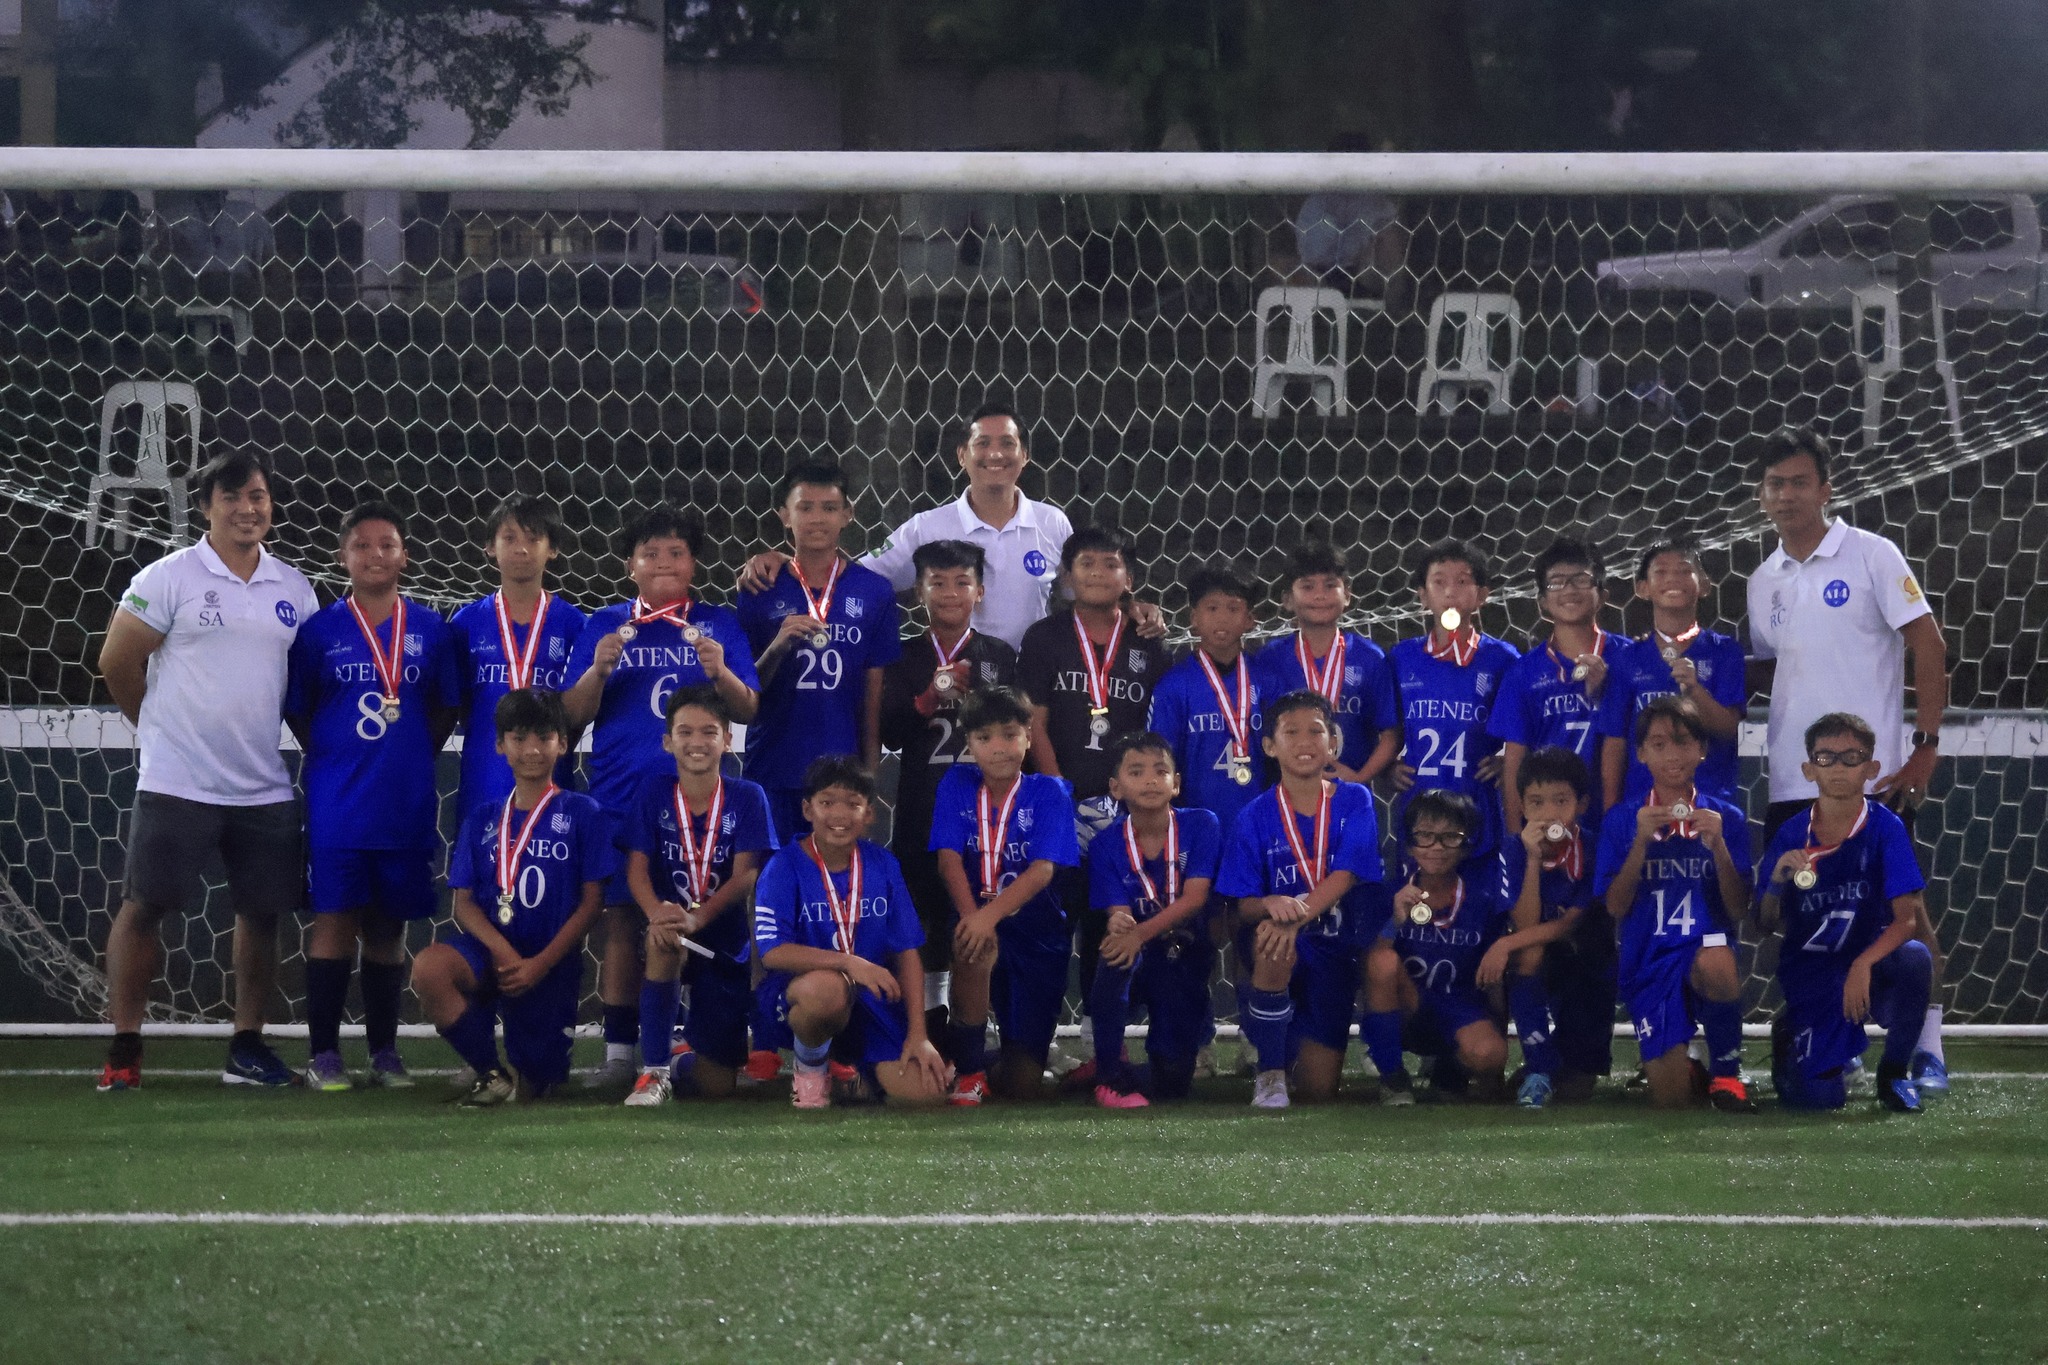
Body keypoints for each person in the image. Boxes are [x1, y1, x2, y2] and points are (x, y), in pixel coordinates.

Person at [95, 449, 319, 1091]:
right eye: (232, 497)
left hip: (263, 786)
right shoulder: (169, 577)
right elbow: (117, 662)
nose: (248, 509)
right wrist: (164, 735)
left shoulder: (294, 589)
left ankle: (246, 1047)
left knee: (261, 915)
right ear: (204, 507)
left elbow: (302, 688)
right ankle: (125, 1046)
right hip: (177, 783)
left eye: (259, 497)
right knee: (145, 907)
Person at [1747, 426, 1952, 1094]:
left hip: (1876, 775)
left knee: (1905, 913)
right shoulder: (1762, 580)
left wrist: (1925, 743)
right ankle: (1836, 1038)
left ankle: (1926, 1046)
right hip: (1793, 776)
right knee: (1807, 916)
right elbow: (1779, 669)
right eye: (1776, 483)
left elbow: (1928, 641)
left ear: (1826, 489)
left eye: (1800, 481)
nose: (1787, 494)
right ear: (1762, 494)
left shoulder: (1870, 554)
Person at [563, 505, 759, 1084]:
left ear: (694, 563)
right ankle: (621, 1055)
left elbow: (749, 708)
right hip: (623, 799)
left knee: (709, 918)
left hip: (704, 806)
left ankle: (690, 1044)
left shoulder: (718, 623)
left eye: (676, 552)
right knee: (625, 923)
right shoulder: (603, 623)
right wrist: (597, 673)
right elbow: (570, 718)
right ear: (631, 566)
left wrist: (720, 673)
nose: (664, 562)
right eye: (651, 553)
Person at [284, 499, 463, 1092]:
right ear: (343, 558)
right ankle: (324, 1055)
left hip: (405, 805)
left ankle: (386, 1052)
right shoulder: (318, 633)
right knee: (334, 923)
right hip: (339, 805)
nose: (375, 555)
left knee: (388, 930)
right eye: (362, 545)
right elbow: (301, 714)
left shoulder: (432, 632)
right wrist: (339, 758)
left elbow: (443, 709)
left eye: (387, 544)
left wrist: (407, 754)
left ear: (404, 555)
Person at [411, 689, 613, 1106]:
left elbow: (593, 903)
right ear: (500, 745)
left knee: (539, 1088)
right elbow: (462, 902)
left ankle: (525, 1068)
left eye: (544, 737)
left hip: (549, 961)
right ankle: (489, 1071)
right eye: (519, 739)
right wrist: (502, 952)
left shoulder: (584, 813)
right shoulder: (483, 818)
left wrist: (539, 964)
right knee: (430, 968)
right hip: (493, 955)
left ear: (564, 743)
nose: (533, 750)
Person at [1018, 525, 1171, 1058]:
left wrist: (1138, 798)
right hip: (1059, 800)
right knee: (1054, 915)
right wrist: (1057, 792)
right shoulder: (1044, 637)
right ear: (1066, 577)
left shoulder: (1147, 641)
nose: (1099, 574)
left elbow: (1157, 727)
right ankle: (1036, 1039)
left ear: (1129, 578)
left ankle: (1098, 1038)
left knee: (1111, 915)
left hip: (1126, 806)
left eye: (1111, 565)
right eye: (1087, 564)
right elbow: (1033, 722)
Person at [876, 540, 1019, 1043]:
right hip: (920, 807)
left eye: (962, 582)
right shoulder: (904, 655)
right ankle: (932, 1029)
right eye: (938, 582)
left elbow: (1015, 729)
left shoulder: (999, 656)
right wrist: (926, 699)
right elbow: (889, 731)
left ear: (980, 591)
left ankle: (982, 1034)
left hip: (987, 816)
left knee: (981, 921)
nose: (951, 592)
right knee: (925, 923)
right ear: (919, 592)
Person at [1215, 691, 1386, 1110]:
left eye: (1316, 731)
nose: (1305, 742)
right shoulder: (1252, 815)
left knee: (1318, 1089)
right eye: (1291, 733)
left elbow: (1346, 874)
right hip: (1281, 945)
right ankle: (1269, 1074)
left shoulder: (1355, 799)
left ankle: (1283, 1042)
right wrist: (1271, 904)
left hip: (1335, 948)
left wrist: (1298, 914)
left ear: (1333, 743)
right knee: (1272, 939)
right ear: (1270, 746)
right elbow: (1243, 905)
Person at [1755, 712, 1933, 1114]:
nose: (1838, 767)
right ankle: (1790, 1039)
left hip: (1870, 959)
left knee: (1916, 959)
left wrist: (1863, 964)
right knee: (1820, 1100)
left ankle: (1894, 1073)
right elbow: (1763, 924)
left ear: (1871, 768)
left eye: (1851, 758)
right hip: (1813, 970)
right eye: (1825, 758)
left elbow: (1907, 919)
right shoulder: (1791, 834)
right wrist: (1776, 881)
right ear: (1807, 769)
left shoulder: (1886, 828)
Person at [752, 756, 951, 1109]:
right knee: (827, 990)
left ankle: (855, 1072)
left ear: (870, 814)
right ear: (807, 809)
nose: (840, 815)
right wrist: (850, 963)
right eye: (827, 803)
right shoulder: (783, 866)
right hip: (803, 995)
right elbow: (773, 952)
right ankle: (810, 1068)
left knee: (926, 1094)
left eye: (853, 804)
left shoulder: (884, 865)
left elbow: (908, 951)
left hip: (870, 998)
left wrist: (919, 1035)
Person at [1593, 696, 1756, 1113]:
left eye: (1683, 742)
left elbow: (1737, 909)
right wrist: (1639, 845)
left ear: (1702, 750)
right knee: (1671, 1100)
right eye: (1659, 744)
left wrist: (1718, 847)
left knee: (1718, 957)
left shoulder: (1726, 819)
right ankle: (1690, 1067)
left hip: (1703, 952)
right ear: (1642, 753)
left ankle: (1726, 1076)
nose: (1672, 754)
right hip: (1648, 961)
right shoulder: (1621, 820)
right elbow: (1614, 907)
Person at [621, 687, 778, 1106]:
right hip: (670, 927)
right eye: (685, 732)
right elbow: (635, 868)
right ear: (667, 740)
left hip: (724, 942)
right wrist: (658, 914)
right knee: (664, 941)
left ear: (728, 739)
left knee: (717, 1087)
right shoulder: (653, 792)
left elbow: (746, 875)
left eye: (709, 732)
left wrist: (698, 918)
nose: (697, 742)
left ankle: (679, 1060)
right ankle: (652, 1073)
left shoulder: (748, 797)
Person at [737, 460, 902, 842]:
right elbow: (745, 690)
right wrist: (778, 646)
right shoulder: (760, 587)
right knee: (770, 883)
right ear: (784, 515)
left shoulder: (874, 592)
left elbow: (872, 700)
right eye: (804, 507)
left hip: (841, 777)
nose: (817, 519)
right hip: (773, 767)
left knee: (835, 891)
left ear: (848, 514)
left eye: (829, 508)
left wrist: (870, 780)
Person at [929, 687, 1081, 1103]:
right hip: (975, 915)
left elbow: (1042, 870)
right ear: (969, 744)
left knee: (1021, 1084)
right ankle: (969, 1071)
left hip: (1037, 934)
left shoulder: (1050, 792)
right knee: (971, 946)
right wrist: (973, 918)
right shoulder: (956, 783)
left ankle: (980, 1053)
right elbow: (949, 861)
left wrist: (988, 916)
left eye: (1010, 735)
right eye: (984, 738)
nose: (999, 748)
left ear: (1029, 737)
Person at [1086, 733, 1222, 1108]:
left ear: (1176, 784)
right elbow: (1119, 912)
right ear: (1116, 787)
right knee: (1114, 952)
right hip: (1139, 951)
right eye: (1136, 771)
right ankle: (1109, 1075)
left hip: (1185, 952)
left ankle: (1111, 1074)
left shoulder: (1201, 825)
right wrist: (1120, 926)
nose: (1150, 780)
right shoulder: (1104, 845)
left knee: (1173, 1082)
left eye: (1161, 772)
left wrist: (1137, 933)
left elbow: (1195, 898)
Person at [1362, 790, 1511, 1104]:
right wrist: (1395, 921)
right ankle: (1393, 1077)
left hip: (1460, 1008)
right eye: (1425, 836)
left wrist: (1494, 1068)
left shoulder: (1483, 901)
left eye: (1450, 837)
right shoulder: (1390, 893)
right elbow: (1370, 964)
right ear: (1410, 843)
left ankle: (1451, 1069)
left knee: (1490, 1053)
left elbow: (1494, 983)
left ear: (1467, 843)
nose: (1437, 848)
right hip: (1407, 1004)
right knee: (1383, 961)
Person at [1485, 746, 1611, 1107]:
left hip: (1587, 960)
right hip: (1537, 949)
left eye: (1560, 801)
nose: (1549, 813)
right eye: (1537, 803)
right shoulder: (1513, 848)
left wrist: (1504, 945)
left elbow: (1569, 924)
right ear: (1522, 807)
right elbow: (1526, 923)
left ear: (1582, 804)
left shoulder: (1592, 845)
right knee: (1530, 952)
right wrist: (1533, 859)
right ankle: (1538, 1069)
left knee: (1578, 1087)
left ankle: (1567, 1058)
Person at [448, 495, 586, 823]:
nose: (521, 548)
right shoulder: (465, 624)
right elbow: (460, 706)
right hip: (485, 777)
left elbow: (576, 712)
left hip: (553, 777)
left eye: (534, 538)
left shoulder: (574, 624)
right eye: (509, 538)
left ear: (552, 549)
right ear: (490, 547)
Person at [1390, 538, 1520, 867]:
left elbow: (1521, 727)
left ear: (1482, 594)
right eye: (1439, 582)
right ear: (1422, 595)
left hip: (1479, 806)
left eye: (1462, 582)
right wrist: (1385, 769)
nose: (1450, 592)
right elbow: (1381, 727)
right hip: (1417, 810)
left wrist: (1509, 760)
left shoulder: (1502, 659)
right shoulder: (1401, 658)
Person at [1597, 539, 1744, 811]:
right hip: (1642, 805)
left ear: (1704, 585)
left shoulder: (1725, 651)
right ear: (1642, 588)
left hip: (1710, 804)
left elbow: (1729, 729)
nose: (1672, 579)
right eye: (1661, 572)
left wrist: (1694, 691)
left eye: (1684, 570)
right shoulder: (1626, 659)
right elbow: (1615, 741)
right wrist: (1612, 814)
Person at [1488, 536, 1621, 832]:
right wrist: (1515, 837)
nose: (1570, 589)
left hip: (1618, 820)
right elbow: (1514, 763)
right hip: (1546, 826)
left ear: (1603, 594)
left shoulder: (1628, 659)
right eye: (1557, 582)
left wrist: (1606, 694)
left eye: (1581, 580)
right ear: (1542, 602)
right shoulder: (1523, 672)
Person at [1251, 541, 1399, 786]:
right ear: (1287, 599)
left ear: (1347, 595)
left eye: (1330, 586)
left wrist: (1359, 778)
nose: (1320, 595)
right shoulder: (1269, 659)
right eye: (1308, 587)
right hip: (1286, 791)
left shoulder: (1371, 658)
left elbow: (1391, 735)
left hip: (1349, 793)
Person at [1148, 566, 1271, 833]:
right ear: (1194, 617)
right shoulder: (1173, 685)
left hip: (1262, 823)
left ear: (1250, 619)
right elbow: (1160, 760)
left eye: (1233, 609)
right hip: (1196, 826)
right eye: (1212, 609)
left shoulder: (1267, 681)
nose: (1222, 619)